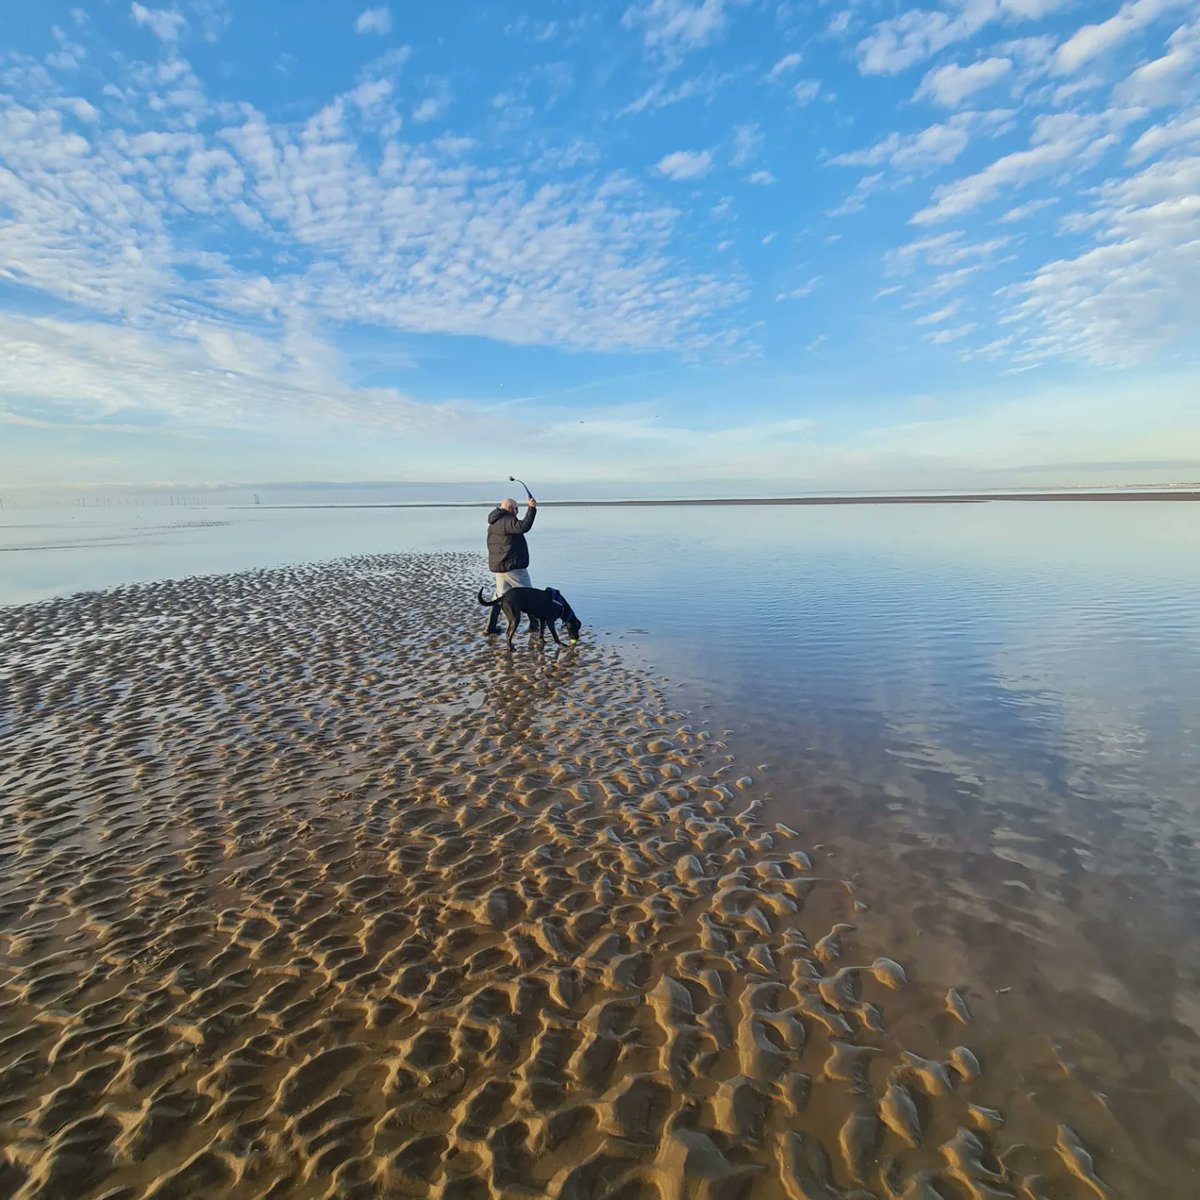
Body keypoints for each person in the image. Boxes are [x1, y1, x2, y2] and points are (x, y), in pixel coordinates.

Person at [484, 495, 537, 634]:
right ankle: (535, 625)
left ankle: (490, 627)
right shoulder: (507, 520)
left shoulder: (494, 522)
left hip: (500, 567)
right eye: (516, 509)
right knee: (529, 594)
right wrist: (531, 509)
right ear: (509, 508)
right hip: (512, 567)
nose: (517, 512)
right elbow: (524, 526)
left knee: (500, 596)